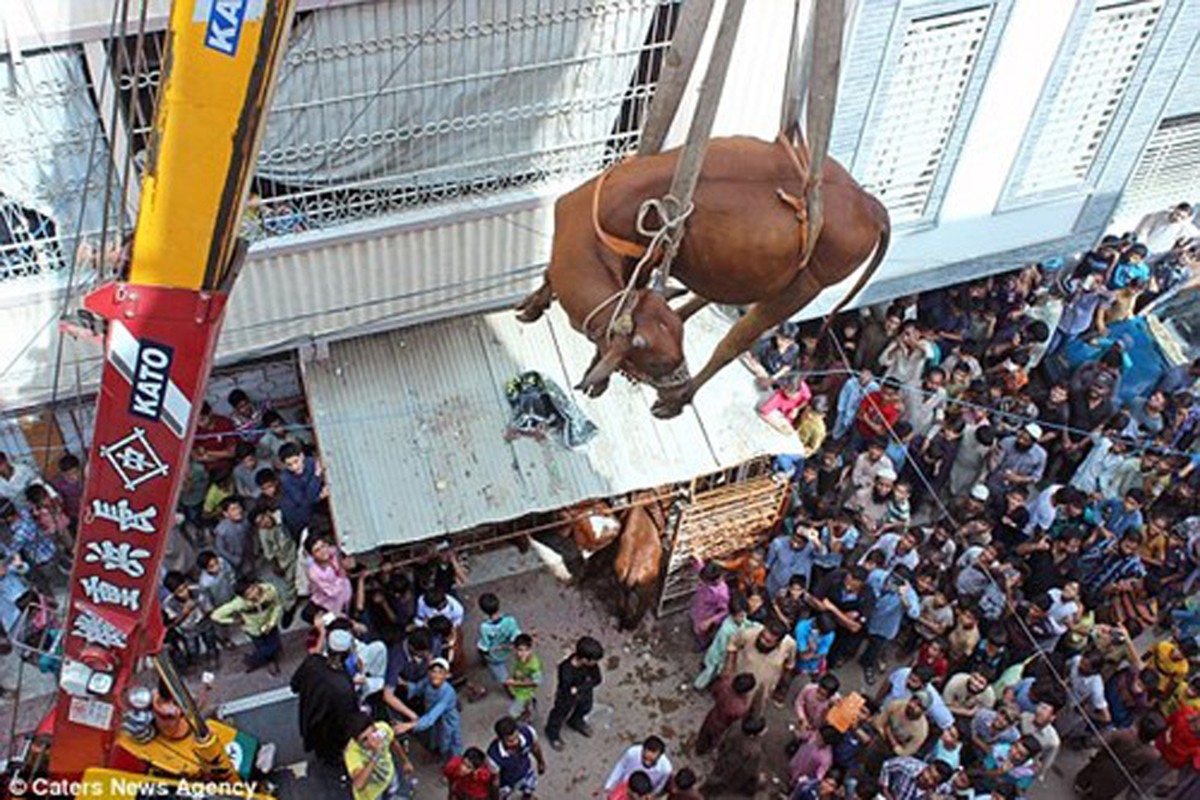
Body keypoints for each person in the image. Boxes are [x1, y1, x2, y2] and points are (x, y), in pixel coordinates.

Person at [291, 627, 361, 794]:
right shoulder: (344, 684)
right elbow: (349, 719)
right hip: (332, 736)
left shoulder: (312, 662)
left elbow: (294, 686)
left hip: (308, 723)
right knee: (332, 763)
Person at [1073, 711, 1166, 800]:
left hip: (1101, 764)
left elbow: (1100, 741)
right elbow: (1142, 773)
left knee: (1088, 775)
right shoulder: (1153, 755)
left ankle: (1080, 785)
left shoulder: (1125, 734)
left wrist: (1086, 742)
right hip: (1119, 780)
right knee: (1102, 794)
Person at [210, 576, 283, 675]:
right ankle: (263, 660)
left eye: (253, 589)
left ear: (256, 584)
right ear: (243, 597)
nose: (254, 594)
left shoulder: (269, 590)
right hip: (253, 629)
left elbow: (277, 605)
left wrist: (271, 622)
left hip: (269, 623)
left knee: (275, 645)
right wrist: (234, 621)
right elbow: (216, 615)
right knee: (263, 647)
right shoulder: (239, 603)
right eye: (248, 594)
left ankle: (253, 659)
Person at [392, 658, 462, 758]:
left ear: (446, 675)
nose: (435, 675)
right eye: (433, 672)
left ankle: (454, 761)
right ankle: (438, 753)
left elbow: (431, 717)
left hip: (446, 720)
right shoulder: (427, 682)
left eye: (440, 672)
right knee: (436, 737)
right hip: (433, 719)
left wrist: (410, 725)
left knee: (452, 740)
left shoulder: (447, 692)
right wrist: (404, 683)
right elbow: (417, 688)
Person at [545, 636, 604, 751]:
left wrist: (578, 688)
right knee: (559, 715)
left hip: (584, 693)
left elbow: (597, 680)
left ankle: (575, 721)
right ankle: (552, 733)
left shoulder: (591, 666)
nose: (596, 663)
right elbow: (567, 689)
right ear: (584, 659)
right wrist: (584, 686)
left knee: (585, 708)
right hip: (566, 697)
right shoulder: (566, 669)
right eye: (594, 660)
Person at [343, 712, 413, 800]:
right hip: (372, 794)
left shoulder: (383, 728)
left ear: (375, 727)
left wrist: (405, 761)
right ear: (356, 741)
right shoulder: (352, 752)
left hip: (388, 775)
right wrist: (375, 755)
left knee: (394, 792)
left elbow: (393, 742)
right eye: (365, 740)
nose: (371, 741)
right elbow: (359, 784)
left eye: (373, 732)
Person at [702, 716, 769, 796]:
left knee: (716, 776)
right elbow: (749, 770)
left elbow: (724, 737)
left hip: (724, 757)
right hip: (733, 769)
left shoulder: (737, 726)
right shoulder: (754, 751)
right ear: (753, 735)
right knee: (721, 784)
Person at [486, 715, 546, 800]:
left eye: (517, 737)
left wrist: (541, 762)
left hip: (525, 770)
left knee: (529, 787)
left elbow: (535, 747)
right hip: (506, 782)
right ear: (500, 739)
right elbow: (496, 781)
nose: (516, 742)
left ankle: (526, 797)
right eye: (510, 741)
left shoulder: (528, 732)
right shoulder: (493, 757)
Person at [695, 672, 755, 755]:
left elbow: (713, 690)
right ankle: (708, 750)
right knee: (715, 739)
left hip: (713, 714)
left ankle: (699, 749)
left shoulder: (724, 683)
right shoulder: (740, 707)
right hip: (722, 725)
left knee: (704, 733)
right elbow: (737, 722)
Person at [279, 441, 327, 537]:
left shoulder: (311, 463)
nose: (294, 467)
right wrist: (316, 477)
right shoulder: (285, 478)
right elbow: (305, 500)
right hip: (298, 517)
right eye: (289, 465)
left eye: (296, 461)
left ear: (302, 456)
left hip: (313, 510)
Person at [603, 735, 672, 796]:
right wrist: (609, 785)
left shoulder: (666, 768)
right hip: (625, 786)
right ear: (642, 750)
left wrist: (651, 795)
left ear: (660, 757)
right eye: (644, 758)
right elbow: (621, 766)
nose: (647, 763)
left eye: (651, 760)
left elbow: (660, 784)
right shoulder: (632, 752)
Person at [477, 592, 521, 686]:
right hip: (507, 650)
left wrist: (484, 651)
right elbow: (516, 635)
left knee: (501, 675)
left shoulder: (485, 627)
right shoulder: (510, 620)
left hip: (494, 654)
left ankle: (509, 687)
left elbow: (485, 645)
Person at [504, 633, 543, 723]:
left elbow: (536, 682)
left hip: (524, 692)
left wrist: (515, 683)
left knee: (512, 713)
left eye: (526, 650)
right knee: (526, 703)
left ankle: (525, 716)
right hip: (519, 688)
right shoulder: (518, 658)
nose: (523, 654)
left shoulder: (534, 666)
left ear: (531, 649)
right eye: (520, 650)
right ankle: (528, 711)